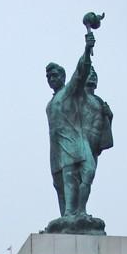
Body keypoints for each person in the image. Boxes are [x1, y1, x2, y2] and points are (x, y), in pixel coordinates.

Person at [46, 32, 96, 220]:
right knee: (62, 183)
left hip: (74, 143)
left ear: (63, 76)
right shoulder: (50, 104)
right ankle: (68, 214)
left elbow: (80, 72)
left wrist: (87, 48)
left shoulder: (70, 92)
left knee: (80, 176)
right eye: (48, 77)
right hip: (57, 149)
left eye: (54, 75)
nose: (51, 79)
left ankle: (74, 213)